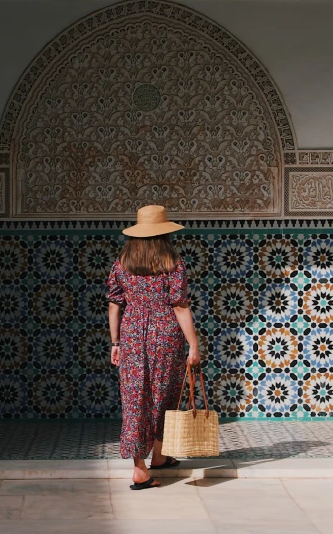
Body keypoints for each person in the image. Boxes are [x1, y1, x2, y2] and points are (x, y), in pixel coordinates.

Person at [106, 204, 201, 490]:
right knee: (164, 393)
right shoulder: (173, 263)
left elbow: (114, 304)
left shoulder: (121, 263)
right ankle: (158, 455)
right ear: (164, 234)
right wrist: (193, 345)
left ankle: (143, 466)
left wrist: (115, 342)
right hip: (165, 334)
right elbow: (180, 306)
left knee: (136, 399)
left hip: (132, 333)